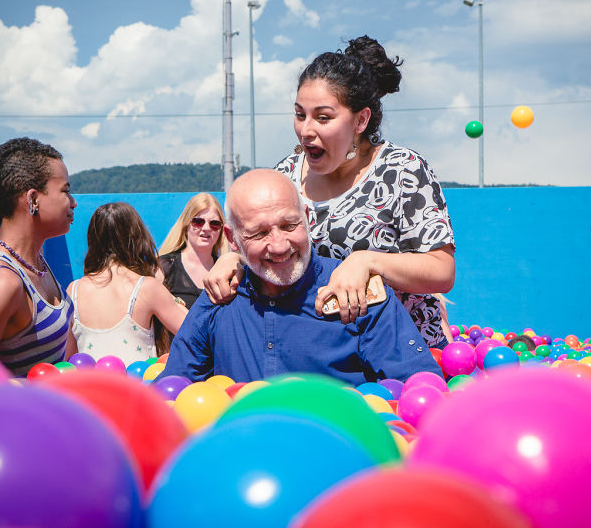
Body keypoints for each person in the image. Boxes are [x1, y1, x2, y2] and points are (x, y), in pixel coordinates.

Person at [204, 36, 455, 348]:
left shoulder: (403, 171)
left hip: (398, 355)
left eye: (323, 117)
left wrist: (367, 261)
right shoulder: (285, 175)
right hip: (314, 354)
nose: (306, 130)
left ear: (361, 120)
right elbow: (265, 247)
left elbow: (441, 270)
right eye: (300, 114)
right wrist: (233, 259)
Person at [156, 170, 443, 385]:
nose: (279, 245)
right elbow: (174, 393)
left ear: (306, 217)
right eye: (259, 233)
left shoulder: (360, 292)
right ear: (233, 238)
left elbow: (418, 388)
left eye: (289, 225)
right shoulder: (219, 299)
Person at [0, 137, 76, 376]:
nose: (73, 202)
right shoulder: (5, 282)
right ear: (33, 199)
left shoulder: (35, 261)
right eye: (65, 191)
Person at [66, 202, 188, 364]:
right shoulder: (147, 288)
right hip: (138, 386)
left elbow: (70, 358)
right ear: (137, 238)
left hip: (90, 387)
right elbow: (193, 331)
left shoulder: (74, 290)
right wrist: (167, 293)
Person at [157, 193, 229, 309]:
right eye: (198, 222)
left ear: (221, 230)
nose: (206, 228)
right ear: (186, 224)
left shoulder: (226, 272)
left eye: (214, 224)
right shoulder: (163, 268)